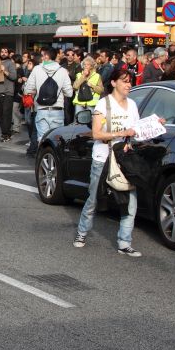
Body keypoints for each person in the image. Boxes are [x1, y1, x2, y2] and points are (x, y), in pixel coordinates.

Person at [74, 68, 143, 257]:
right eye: (124, 81)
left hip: (125, 160)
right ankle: (82, 233)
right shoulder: (103, 105)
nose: (129, 84)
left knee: (130, 202)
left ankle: (124, 242)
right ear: (113, 83)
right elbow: (96, 133)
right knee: (94, 199)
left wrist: (152, 126)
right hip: (103, 158)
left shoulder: (133, 105)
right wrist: (121, 134)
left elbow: (136, 131)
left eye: (130, 81)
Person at [23, 47, 73, 148]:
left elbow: (27, 90)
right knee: (56, 140)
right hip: (58, 110)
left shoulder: (37, 69)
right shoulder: (62, 71)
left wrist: (37, 89)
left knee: (42, 139)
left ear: (46, 56)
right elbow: (69, 93)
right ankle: (55, 161)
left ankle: (44, 159)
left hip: (41, 109)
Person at [0, 46, 17, 142]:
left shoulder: (10, 63)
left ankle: (6, 134)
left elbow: (14, 77)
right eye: (1, 51)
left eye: (5, 51)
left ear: (8, 53)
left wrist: (4, 71)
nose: (3, 53)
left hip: (7, 93)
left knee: (6, 114)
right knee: (0, 115)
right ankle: (5, 133)